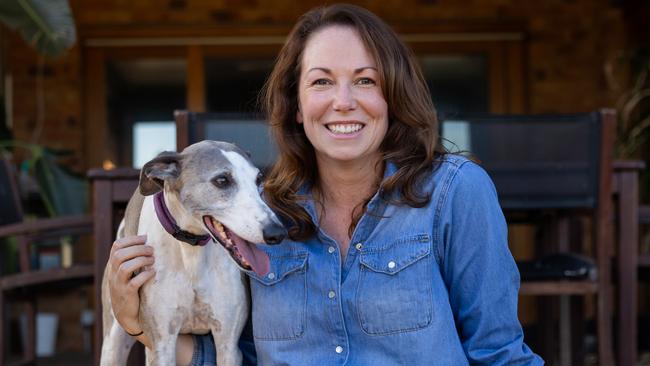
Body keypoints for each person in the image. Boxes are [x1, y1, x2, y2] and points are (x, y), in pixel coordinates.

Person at [108, 3, 543, 365]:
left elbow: (499, 353)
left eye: (365, 80)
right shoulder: (265, 218)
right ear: (297, 104)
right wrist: (136, 322)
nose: (343, 102)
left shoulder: (454, 192)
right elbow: (235, 355)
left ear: (391, 96)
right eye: (321, 81)